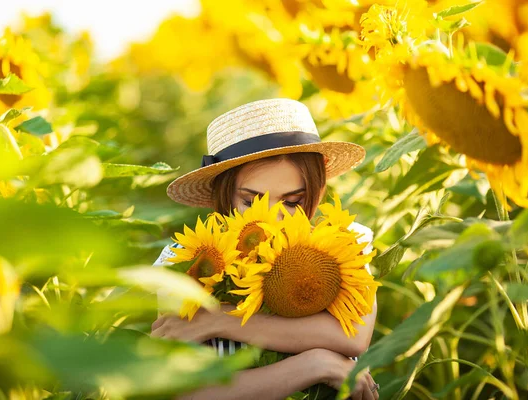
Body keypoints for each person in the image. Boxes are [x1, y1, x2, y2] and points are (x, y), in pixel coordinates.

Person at [150, 98, 380, 400]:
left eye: (292, 201)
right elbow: (187, 394)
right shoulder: (188, 261)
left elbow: (353, 337)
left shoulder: (341, 245)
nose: (271, 219)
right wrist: (316, 364)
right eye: (250, 201)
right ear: (223, 193)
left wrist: (219, 318)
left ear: (318, 189)